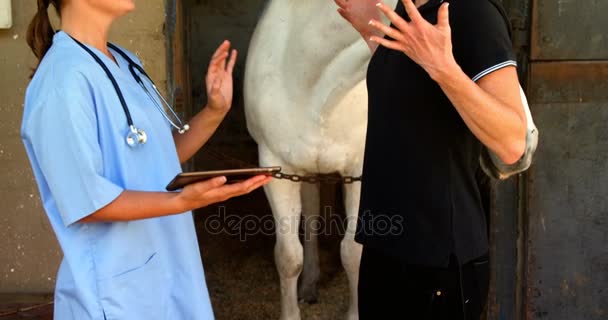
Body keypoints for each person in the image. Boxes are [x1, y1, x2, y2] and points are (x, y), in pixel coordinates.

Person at [21, 0, 272, 319]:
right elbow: (87, 203)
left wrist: (214, 111)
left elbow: (155, 159)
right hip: (116, 294)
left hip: (162, 267)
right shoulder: (62, 81)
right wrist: (183, 201)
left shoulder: (125, 61)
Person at [336, 0, 527, 318]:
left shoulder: (472, 13)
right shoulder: (405, 11)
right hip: (383, 246)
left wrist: (443, 68)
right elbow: (416, 94)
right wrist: (371, 34)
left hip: (438, 263)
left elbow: (512, 142)